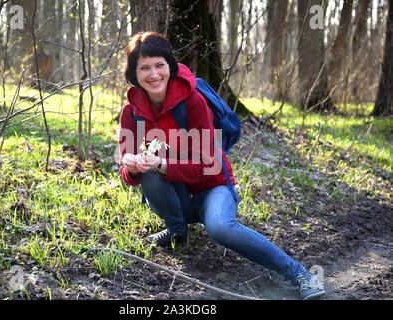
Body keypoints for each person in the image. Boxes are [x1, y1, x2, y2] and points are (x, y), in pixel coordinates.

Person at [118, 31, 325, 300]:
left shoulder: (192, 101)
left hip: (211, 188)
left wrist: (162, 164)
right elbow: (128, 175)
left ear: (169, 65)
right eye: (144, 68)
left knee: (221, 228)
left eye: (159, 65)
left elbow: (210, 164)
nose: (154, 74)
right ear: (134, 74)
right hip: (175, 196)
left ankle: (300, 274)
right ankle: (177, 231)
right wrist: (132, 165)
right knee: (150, 176)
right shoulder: (130, 113)